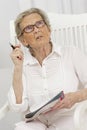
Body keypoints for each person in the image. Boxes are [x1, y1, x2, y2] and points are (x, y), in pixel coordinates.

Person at [8, 8, 87, 130]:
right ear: (23, 41)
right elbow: (18, 107)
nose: (36, 30)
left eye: (40, 23)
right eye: (29, 28)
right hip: (37, 123)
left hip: (69, 118)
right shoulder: (22, 65)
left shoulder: (71, 53)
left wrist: (75, 97)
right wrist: (18, 68)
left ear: (49, 29)